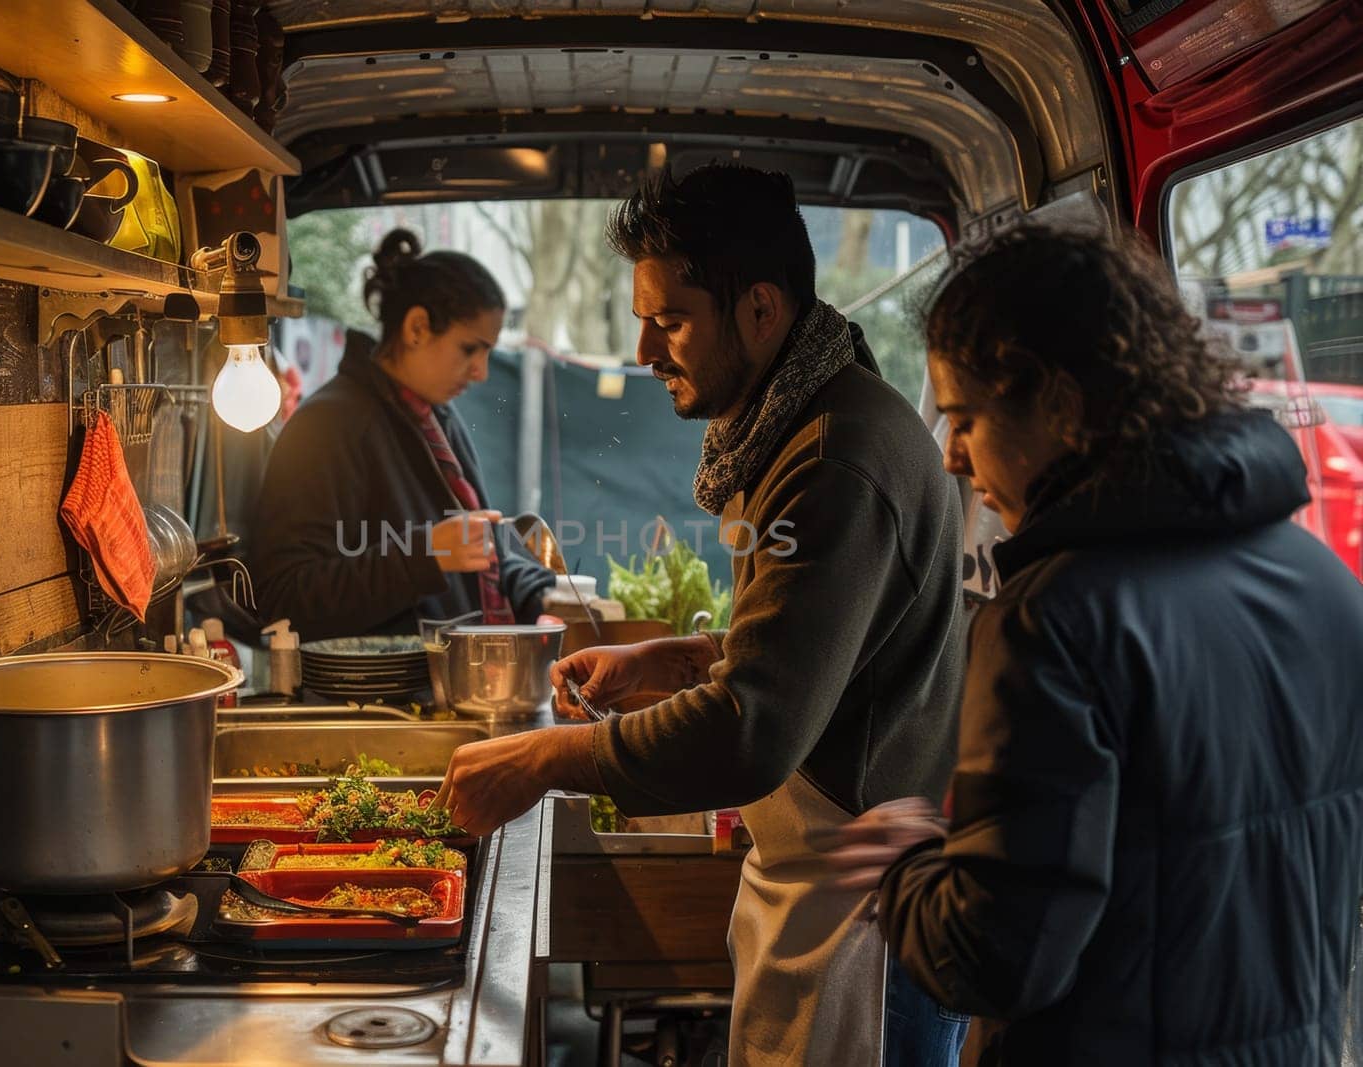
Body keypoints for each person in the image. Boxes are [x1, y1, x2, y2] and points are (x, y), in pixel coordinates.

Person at [433, 164, 968, 1065]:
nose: (645, 349)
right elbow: (835, 643)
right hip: (826, 892)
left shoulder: (833, 459)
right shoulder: (807, 417)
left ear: (761, 309)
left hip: (865, 919)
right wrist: (687, 657)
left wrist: (543, 758)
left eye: (670, 320)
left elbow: (753, 730)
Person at [826, 224, 1363, 1065]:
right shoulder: (1321, 580)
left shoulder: (1056, 621)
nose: (954, 458)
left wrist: (914, 872)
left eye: (965, 419)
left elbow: (995, 958)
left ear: (1062, 406)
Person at [250, 229, 556, 639]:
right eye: (470, 349)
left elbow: (483, 556)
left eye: (488, 353)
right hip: (379, 698)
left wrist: (544, 599)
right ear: (417, 328)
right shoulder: (326, 426)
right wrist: (424, 557)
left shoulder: (437, 419)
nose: (482, 372)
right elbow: (285, 598)